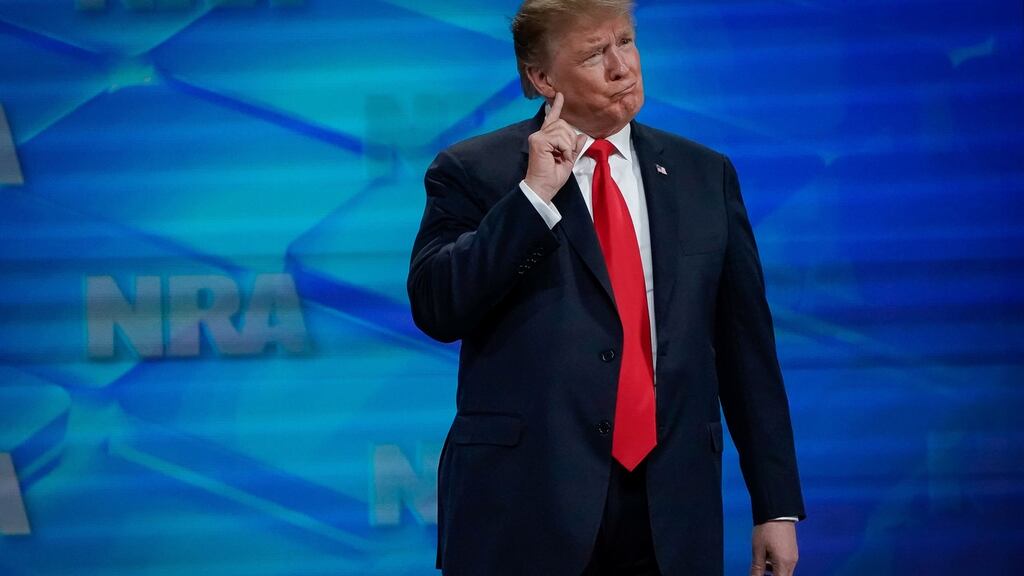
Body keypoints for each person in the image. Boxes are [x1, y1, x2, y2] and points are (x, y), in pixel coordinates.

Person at [407, 1, 805, 574]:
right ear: (542, 78)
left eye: (626, 41)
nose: (623, 67)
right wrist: (533, 200)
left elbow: (746, 350)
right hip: (527, 507)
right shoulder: (477, 171)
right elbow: (436, 306)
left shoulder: (704, 175)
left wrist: (776, 506)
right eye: (595, 53)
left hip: (669, 508)